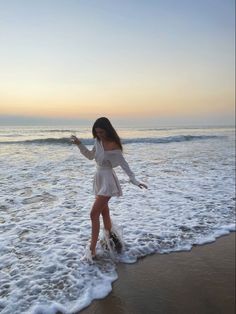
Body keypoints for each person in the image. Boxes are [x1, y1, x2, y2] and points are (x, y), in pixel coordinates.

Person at [71, 117, 147, 259]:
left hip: (108, 180)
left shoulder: (114, 145)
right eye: (96, 132)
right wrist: (79, 144)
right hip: (98, 178)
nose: (99, 135)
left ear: (107, 130)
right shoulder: (98, 141)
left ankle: (92, 249)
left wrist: (134, 180)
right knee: (104, 212)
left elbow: (124, 164)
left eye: (101, 132)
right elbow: (89, 156)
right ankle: (109, 240)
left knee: (93, 214)